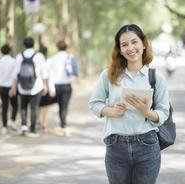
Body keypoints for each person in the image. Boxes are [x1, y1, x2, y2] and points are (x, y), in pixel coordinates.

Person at [88, 24, 170, 184]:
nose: (130, 48)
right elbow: (94, 104)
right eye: (124, 44)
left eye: (134, 42)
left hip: (147, 145)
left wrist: (146, 112)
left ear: (144, 44)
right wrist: (112, 111)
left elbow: (163, 113)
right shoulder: (109, 75)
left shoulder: (155, 77)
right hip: (116, 146)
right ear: (119, 49)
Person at [9, 37, 48, 138]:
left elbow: (15, 74)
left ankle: (23, 125)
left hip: (22, 87)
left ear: (24, 45)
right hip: (37, 87)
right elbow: (44, 73)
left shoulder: (19, 56)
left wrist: (13, 87)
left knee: (23, 106)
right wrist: (45, 85)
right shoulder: (39, 56)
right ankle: (33, 129)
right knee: (34, 108)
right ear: (33, 45)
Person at [46, 40, 79, 136]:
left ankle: (43, 123)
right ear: (66, 47)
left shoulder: (52, 58)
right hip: (66, 85)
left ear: (57, 47)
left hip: (54, 86)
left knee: (57, 105)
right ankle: (63, 125)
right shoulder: (70, 57)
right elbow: (75, 72)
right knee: (63, 106)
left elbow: (49, 73)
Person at [0, 44, 18, 134]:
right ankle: (12, 121)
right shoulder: (13, 61)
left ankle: (4, 126)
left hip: (2, 87)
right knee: (15, 105)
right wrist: (13, 88)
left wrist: (0, 84)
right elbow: (15, 76)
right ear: (9, 51)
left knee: (4, 106)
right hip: (12, 86)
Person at [38, 45, 57, 132]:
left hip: (36, 87)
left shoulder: (36, 60)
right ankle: (44, 124)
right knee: (45, 107)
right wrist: (51, 88)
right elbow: (51, 76)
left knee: (37, 106)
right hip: (46, 87)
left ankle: (39, 122)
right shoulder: (49, 62)